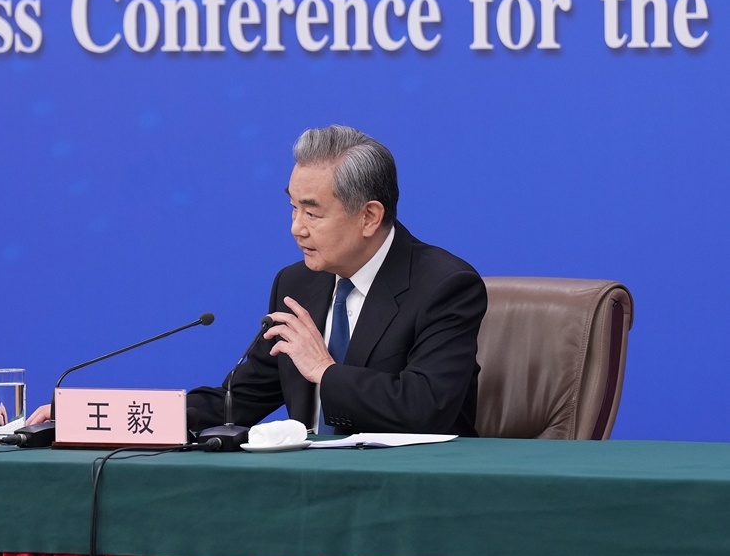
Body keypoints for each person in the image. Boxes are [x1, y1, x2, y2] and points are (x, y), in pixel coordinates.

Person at [27, 125, 487, 436]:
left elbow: (427, 408)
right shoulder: (299, 284)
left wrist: (325, 372)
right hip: (308, 498)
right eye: (292, 207)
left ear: (369, 216)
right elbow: (234, 404)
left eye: (312, 213)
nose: (296, 228)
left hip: (411, 500)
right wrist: (93, 417)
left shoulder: (444, 286)